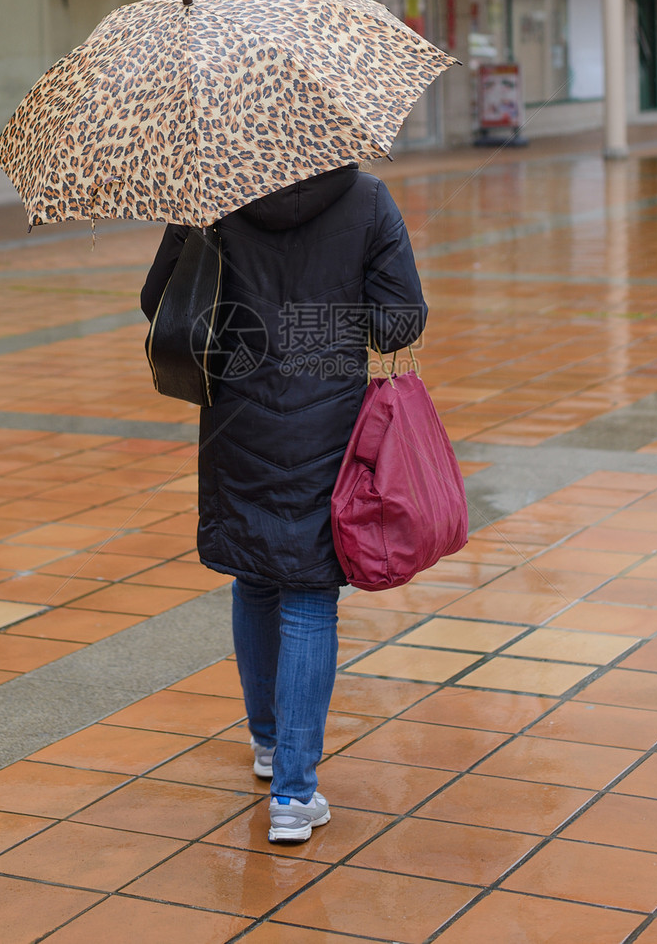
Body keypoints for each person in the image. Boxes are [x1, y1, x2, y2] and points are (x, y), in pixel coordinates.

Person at [140, 162, 426, 844]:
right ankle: (296, 797)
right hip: (329, 420)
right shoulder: (367, 197)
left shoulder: (210, 187)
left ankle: (268, 744)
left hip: (238, 413)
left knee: (256, 575)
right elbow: (398, 322)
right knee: (308, 594)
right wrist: (326, 326)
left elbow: (159, 301)